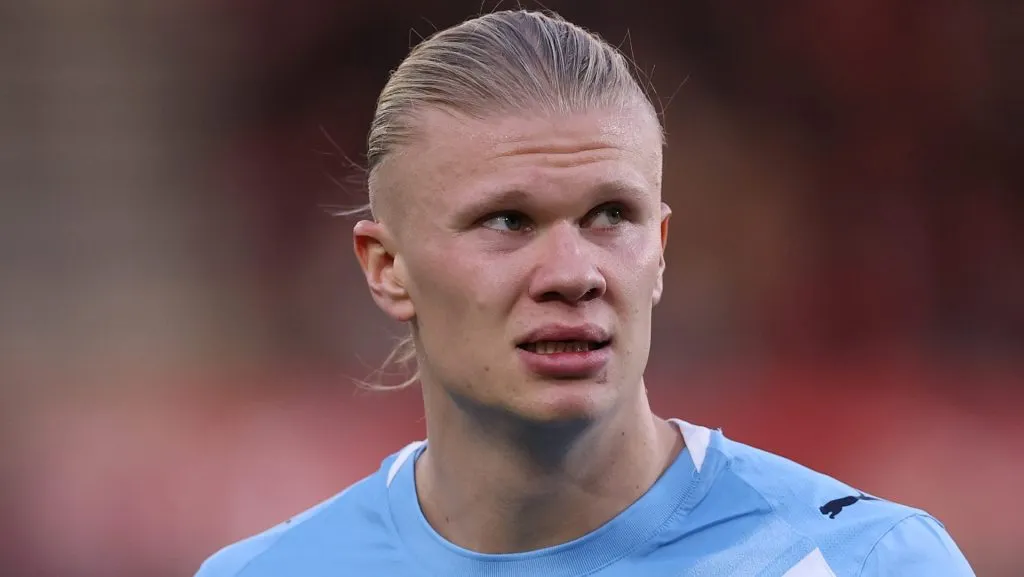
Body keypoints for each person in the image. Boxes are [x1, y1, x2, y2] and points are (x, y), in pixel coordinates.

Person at [195, 9, 975, 576]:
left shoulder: (863, 561)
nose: (573, 271)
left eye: (612, 216)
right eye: (507, 220)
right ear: (386, 268)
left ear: (660, 252)